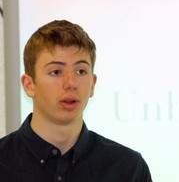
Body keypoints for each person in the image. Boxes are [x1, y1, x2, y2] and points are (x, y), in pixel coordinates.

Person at [0, 20, 152, 182]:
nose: (71, 83)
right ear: (29, 85)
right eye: (56, 72)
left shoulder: (128, 168)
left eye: (80, 71)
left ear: (92, 84)